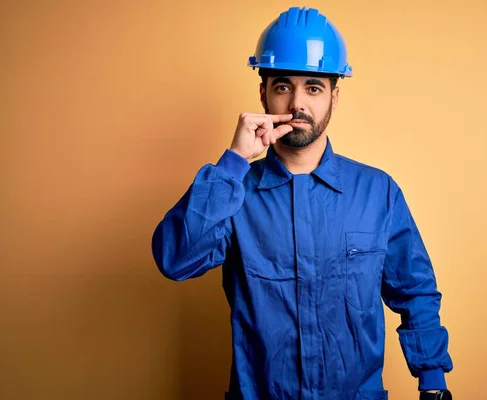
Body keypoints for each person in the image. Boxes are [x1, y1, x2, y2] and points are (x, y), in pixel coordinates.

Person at [151, 6, 453, 400]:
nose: (297, 103)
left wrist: (432, 381)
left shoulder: (378, 192)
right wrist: (233, 162)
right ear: (263, 93)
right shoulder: (234, 193)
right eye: (282, 86)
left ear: (333, 96)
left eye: (313, 87)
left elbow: (415, 291)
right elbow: (175, 260)